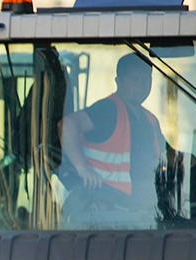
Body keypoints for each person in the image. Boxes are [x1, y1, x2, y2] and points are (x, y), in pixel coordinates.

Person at [60, 53, 167, 219]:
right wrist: (83, 169)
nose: (141, 85)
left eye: (146, 79)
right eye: (134, 79)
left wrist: (188, 160)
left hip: (140, 212)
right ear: (119, 82)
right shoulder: (109, 109)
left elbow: (166, 156)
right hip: (104, 210)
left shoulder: (150, 120)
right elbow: (67, 125)